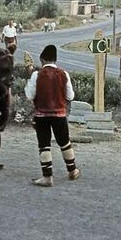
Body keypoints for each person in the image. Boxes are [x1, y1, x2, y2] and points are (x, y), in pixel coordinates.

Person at [24, 45, 81, 187]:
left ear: (42, 59)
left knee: (44, 145)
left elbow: (30, 95)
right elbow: (70, 96)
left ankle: (47, 177)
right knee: (64, 143)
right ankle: (72, 170)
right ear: (55, 60)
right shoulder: (64, 74)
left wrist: (30, 76)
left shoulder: (37, 75)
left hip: (41, 116)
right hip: (60, 115)